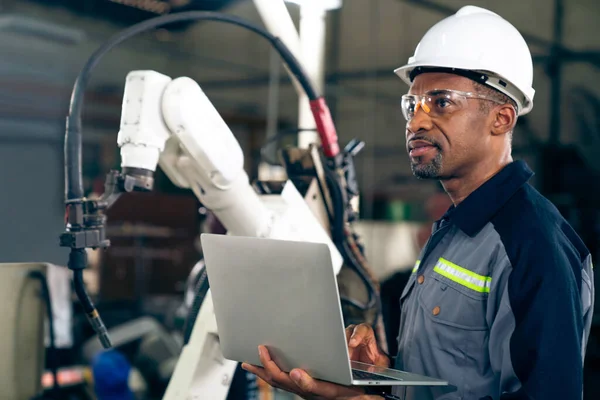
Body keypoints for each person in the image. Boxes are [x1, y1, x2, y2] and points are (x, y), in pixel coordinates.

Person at [242, 5, 595, 400]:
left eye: (441, 102)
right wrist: (382, 374)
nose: (415, 123)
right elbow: (456, 377)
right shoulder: (455, 229)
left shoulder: (531, 244)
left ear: (502, 119)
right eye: (412, 105)